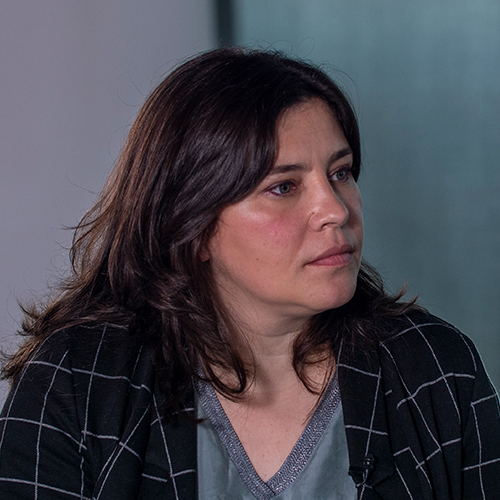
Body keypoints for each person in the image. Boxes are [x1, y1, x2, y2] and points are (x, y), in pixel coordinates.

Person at [0, 47, 499, 500]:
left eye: (341, 173)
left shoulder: (435, 367)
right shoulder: (78, 382)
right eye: (284, 187)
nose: (335, 209)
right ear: (192, 226)